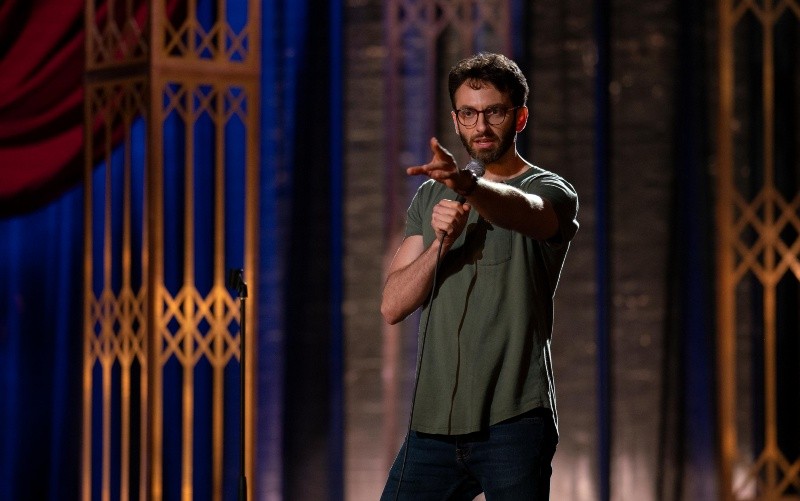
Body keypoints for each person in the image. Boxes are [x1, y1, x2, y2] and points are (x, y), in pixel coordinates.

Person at [379, 52, 579, 500]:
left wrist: (469, 186)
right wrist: (439, 245)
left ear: (520, 117)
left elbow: (529, 212)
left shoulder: (549, 189)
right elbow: (392, 306)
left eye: (495, 112)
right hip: (432, 428)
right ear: (456, 120)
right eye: (468, 114)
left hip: (514, 422)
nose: (481, 126)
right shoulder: (431, 195)